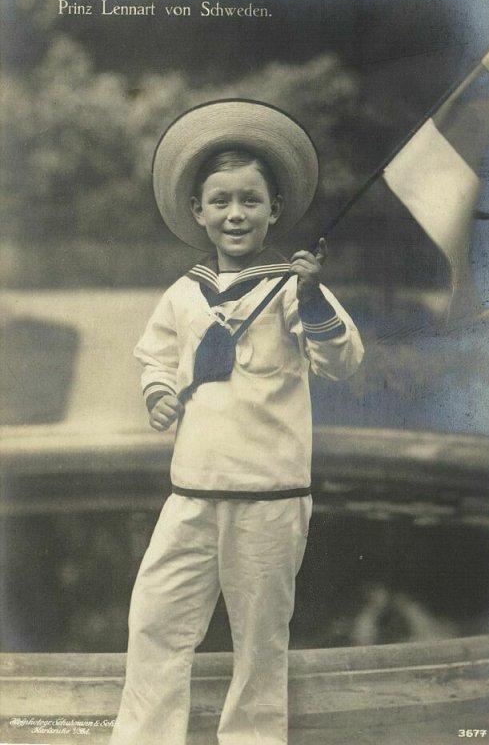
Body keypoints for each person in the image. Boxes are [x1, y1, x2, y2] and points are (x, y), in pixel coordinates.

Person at [110, 99, 364, 745]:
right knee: (156, 619)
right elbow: (155, 355)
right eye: (219, 201)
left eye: (250, 200)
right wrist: (159, 392)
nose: (234, 214)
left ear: (274, 210)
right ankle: (144, 736)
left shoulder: (292, 288)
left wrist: (309, 299)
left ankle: (252, 739)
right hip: (192, 490)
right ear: (196, 212)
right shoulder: (183, 292)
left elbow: (342, 361)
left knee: (259, 635)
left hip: (269, 495)